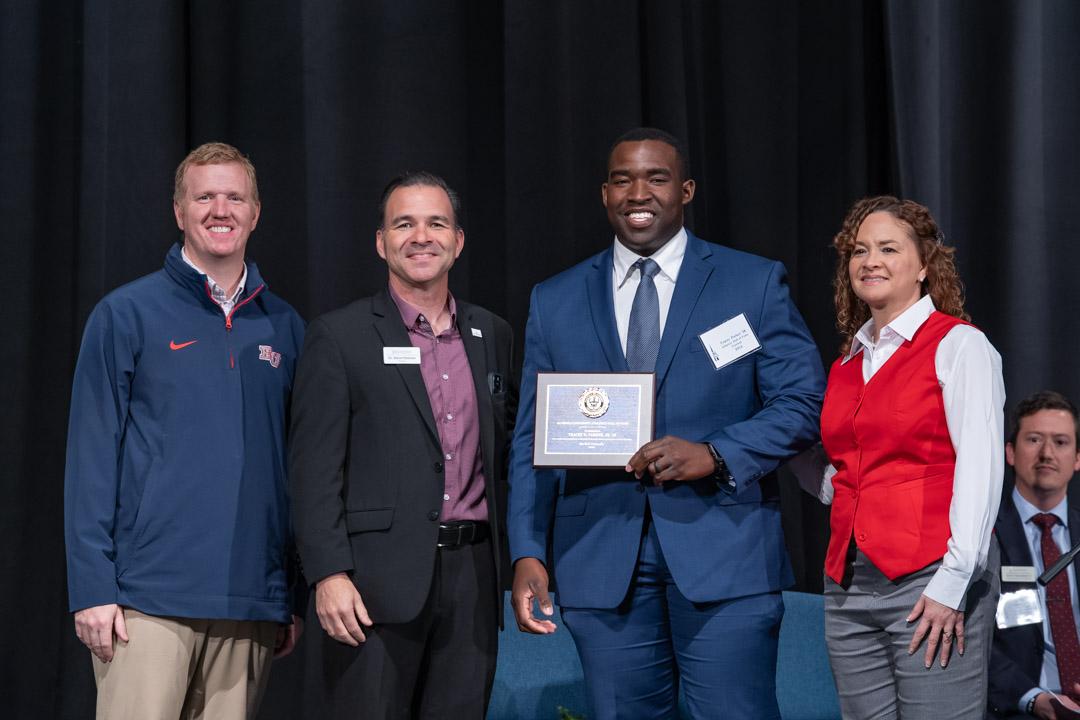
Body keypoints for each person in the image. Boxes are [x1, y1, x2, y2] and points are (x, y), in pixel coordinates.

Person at [508, 127, 826, 719]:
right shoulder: (555, 298)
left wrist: (717, 452)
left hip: (725, 554)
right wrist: (527, 549)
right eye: (623, 179)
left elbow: (804, 402)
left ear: (685, 190)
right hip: (600, 557)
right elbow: (532, 438)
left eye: (656, 178)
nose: (639, 192)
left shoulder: (751, 283)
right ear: (605, 193)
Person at [64, 142, 305, 720]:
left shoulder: (287, 327)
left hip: (250, 600)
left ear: (255, 212)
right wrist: (92, 586)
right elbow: (91, 459)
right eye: (204, 196)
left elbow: (298, 471)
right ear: (179, 211)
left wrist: (287, 596)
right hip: (146, 600)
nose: (220, 209)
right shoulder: (126, 315)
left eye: (234, 197)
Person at [288, 171, 517, 718]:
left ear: (458, 241)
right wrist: (328, 573)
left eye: (437, 223)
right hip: (371, 586)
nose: (421, 236)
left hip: (473, 581)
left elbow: (505, 455)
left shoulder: (494, 334)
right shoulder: (339, 336)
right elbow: (312, 470)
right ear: (380, 241)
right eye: (404, 224)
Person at [818, 195, 1004, 718]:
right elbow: (847, 466)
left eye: (888, 248)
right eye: (859, 250)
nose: (869, 260)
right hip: (849, 585)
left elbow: (981, 467)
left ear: (923, 265)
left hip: (932, 577)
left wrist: (954, 578)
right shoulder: (848, 362)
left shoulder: (960, 346)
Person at [989, 391, 1080, 719]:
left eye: (1060, 442)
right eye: (1034, 440)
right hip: (1018, 708)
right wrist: (1033, 698)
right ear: (1010, 452)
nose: (1047, 453)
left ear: (1078, 457)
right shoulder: (982, 536)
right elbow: (971, 639)